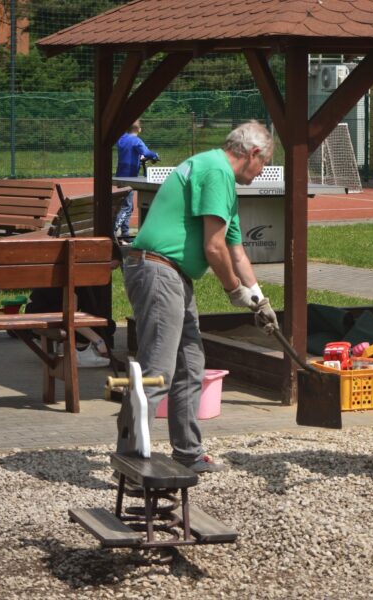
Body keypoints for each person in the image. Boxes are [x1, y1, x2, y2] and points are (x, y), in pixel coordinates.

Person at [117, 120, 279, 474]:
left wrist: (259, 300)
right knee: (157, 370)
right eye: (264, 163)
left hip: (173, 274)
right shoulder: (216, 171)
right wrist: (234, 291)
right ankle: (128, 458)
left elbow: (236, 251)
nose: (262, 171)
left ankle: (188, 453)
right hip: (159, 270)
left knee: (191, 364)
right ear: (252, 153)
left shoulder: (220, 177)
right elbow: (214, 247)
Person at [114, 120, 159, 240]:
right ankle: (113, 231)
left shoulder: (121, 139)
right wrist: (155, 155)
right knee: (127, 207)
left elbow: (130, 151)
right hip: (129, 177)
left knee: (127, 205)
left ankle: (125, 235)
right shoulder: (136, 140)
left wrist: (139, 157)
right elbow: (146, 152)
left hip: (120, 176)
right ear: (139, 129)